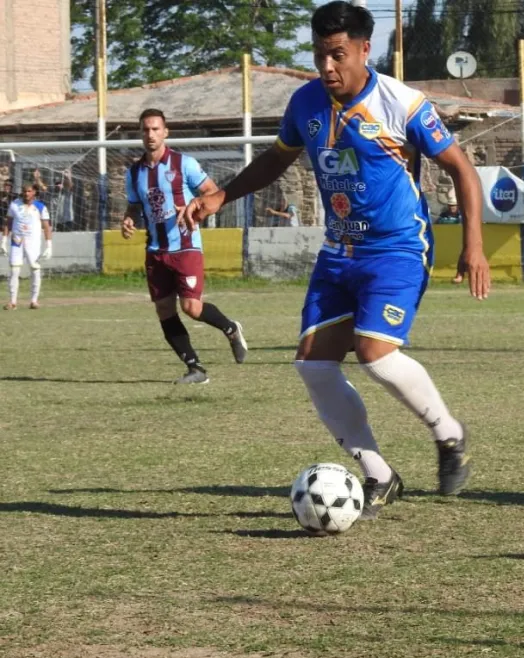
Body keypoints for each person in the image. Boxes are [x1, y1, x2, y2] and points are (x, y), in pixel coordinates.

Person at [179, 1, 490, 519]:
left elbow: (462, 169)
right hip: (339, 250)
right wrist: (221, 195)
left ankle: (449, 434)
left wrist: (473, 246)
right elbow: (277, 159)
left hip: (397, 247)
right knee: (314, 365)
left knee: (375, 354)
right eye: (320, 55)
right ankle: (380, 475)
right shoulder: (305, 102)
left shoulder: (402, 104)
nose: (327, 67)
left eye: (337, 55)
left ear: (365, 50)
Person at [122, 108, 248, 385]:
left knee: (191, 307)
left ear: (165, 132)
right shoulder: (134, 173)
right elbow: (134, 206)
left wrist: (194, 205)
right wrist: (129, 219)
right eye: (146, 129)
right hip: (156, 250)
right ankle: (195, 369)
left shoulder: (184, 164)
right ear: (140, 133)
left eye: (156, 129)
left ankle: (230, 329)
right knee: (164, 309)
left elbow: (212, 193)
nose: (151, 134)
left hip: (186, 245)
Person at [2, 182, 52, 310]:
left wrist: (49, 245)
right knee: (14, 270)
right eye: (24, 191)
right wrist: (3, 241)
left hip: (33, 242)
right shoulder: (14, 204)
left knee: (35, 269)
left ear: (34, 192)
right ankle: (12, 302)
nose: (26, 193)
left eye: (29, 191)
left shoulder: (40, 207)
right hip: (17, 241)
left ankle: (34, 301)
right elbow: (8, 223)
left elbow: (46, 227)